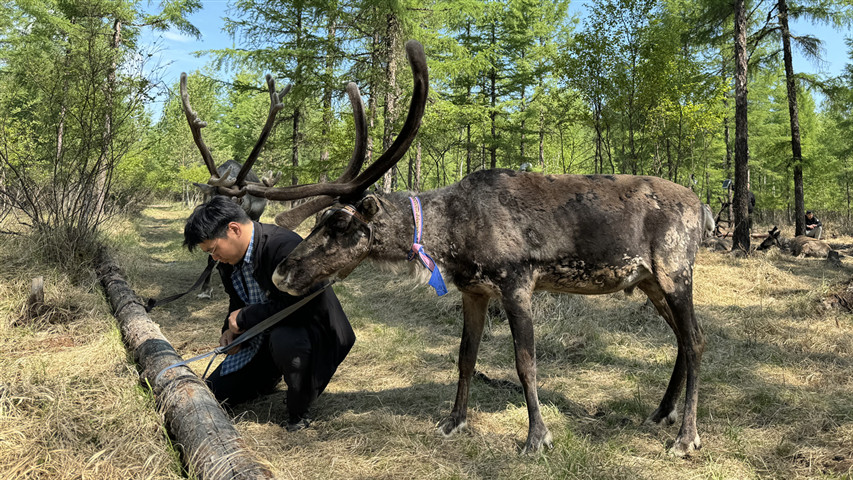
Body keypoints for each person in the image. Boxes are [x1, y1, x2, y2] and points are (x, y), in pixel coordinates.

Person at [183, 196, 356, 431]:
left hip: (312, 333)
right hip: (263, 337)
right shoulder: (227, 259)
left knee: (285, 341)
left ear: (233, 229)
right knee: (212, 395)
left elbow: (303, 305)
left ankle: (299, 410)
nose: (214, 258)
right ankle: (268, 377)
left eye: (213, 250)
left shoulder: (283, 246)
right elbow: (237, 298)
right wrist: (229, 329)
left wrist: (244, 318)